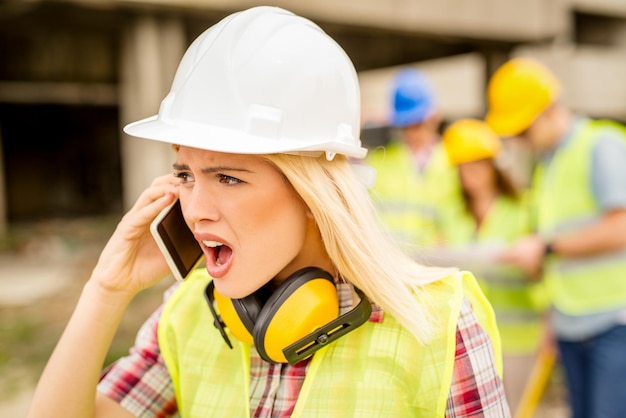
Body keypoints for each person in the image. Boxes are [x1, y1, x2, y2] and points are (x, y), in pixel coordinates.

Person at [27, 7, 510, 417]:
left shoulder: (438, 324)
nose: (194, 210)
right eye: (186, 174)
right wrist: (105, 290)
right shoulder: (184, 316)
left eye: (229, 177)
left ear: (311, 194)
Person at [486, 56, 626, 418]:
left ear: (548, 110)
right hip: (570, 322)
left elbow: (621, 227)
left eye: (523, 131)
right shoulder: (548, 165)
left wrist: (546, 247)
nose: (519, 142)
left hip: (614, 323)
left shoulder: (602, 145)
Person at [434, 118, 548, 415]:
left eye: (475, 166)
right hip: (467, 333)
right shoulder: (451, 213)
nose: (467, 175)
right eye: (461, 168)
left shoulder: (525, 208)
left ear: (493, 166)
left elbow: (544, 272)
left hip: (518, 337)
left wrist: (527, 260)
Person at [365, 68, 461, 252]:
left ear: (434, 117)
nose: (412, 132)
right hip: (389, 262)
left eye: (417, 124)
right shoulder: (381, 158)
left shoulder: (451, 160)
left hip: (436, 264)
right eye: (406, 125)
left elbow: (458, 217)